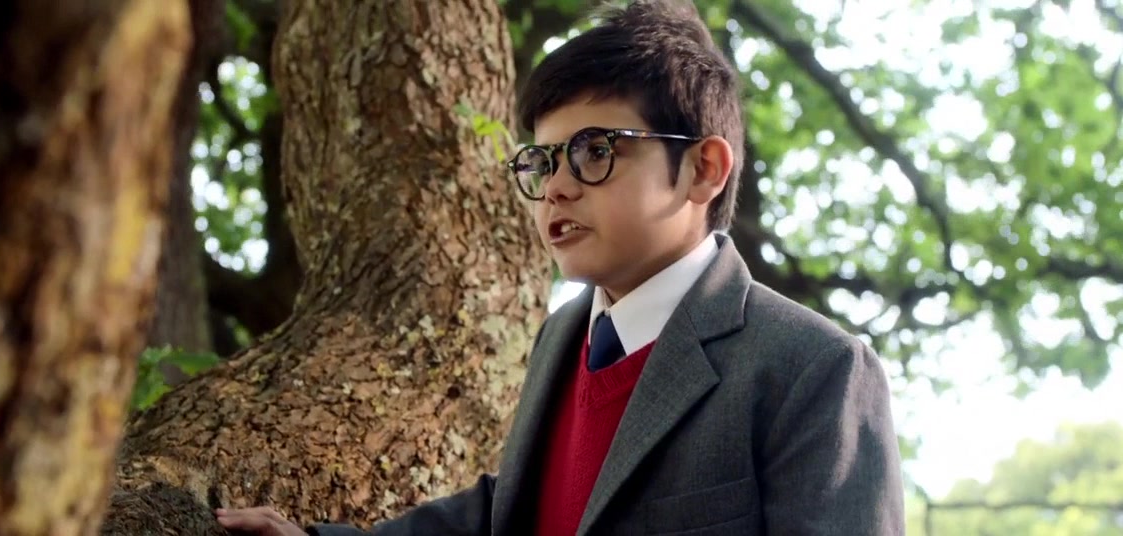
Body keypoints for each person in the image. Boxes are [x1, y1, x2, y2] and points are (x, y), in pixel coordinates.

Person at [215, 0, 906, 534]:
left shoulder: (813, 368)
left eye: (595, 151)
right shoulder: (561, 338)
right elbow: (513, 512)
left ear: (703, 168)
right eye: (543, 161)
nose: (557, 188)